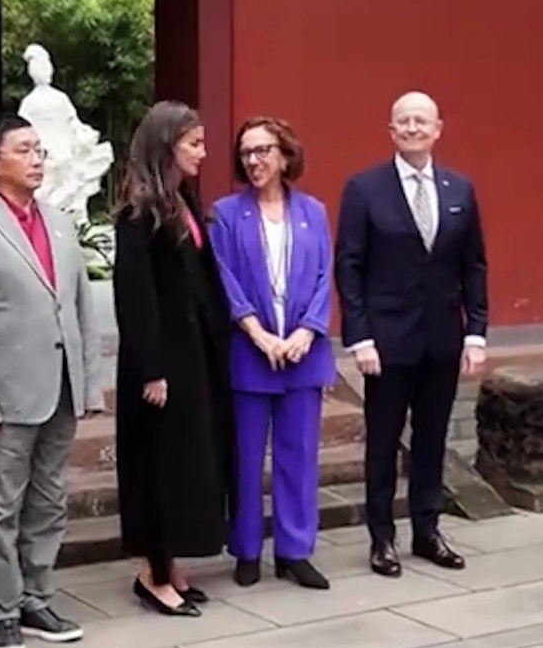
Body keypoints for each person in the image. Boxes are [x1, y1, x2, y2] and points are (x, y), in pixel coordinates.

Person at [0, 113, 105, 648]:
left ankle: (38, 598)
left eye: (40, 150)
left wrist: (90, 384)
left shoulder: (59, 223)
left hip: (60, 387)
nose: (37, 159)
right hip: (7, 396)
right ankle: (4, 611)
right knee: (3, 508)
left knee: (50, 500)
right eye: (25, 150)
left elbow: (80, 308)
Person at [334, 91, 489, 578]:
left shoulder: (459, 189)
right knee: (383, 441)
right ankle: (382, 537)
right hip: (386, 342)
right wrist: (359, 337)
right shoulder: (365, 189)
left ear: (438, 128)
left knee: (432, 438)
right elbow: (349, 266)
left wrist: (476, 333)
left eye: (422, 120)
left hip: (442, 338)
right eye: (404, 121)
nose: (413, 127)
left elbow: (473, 265)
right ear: (391, 130)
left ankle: (427, 530)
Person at [112, 100, 235, 617]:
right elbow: (134, 295)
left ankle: (172, 565)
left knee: (187, 463)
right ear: (166, 145)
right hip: (162, 364)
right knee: (159, 467)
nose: (203, 153)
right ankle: (153, 574)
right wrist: (152, 369)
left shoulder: (180, 200)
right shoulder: (139, 211)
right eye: (194, 143)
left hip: (194, 355)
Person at [208, 117, 334, 590]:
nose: (254, 160)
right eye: (246, 153)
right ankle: (246, 549)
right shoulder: (225, 214)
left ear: (285, 155)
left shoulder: (313, 212)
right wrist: (257, 333)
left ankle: (294, 550)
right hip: (250, 352)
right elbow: (223, 278)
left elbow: (324, 276)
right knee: (245, 458)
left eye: (263, 150)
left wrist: (307, 331)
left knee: (298, 457)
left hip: (303, 354)